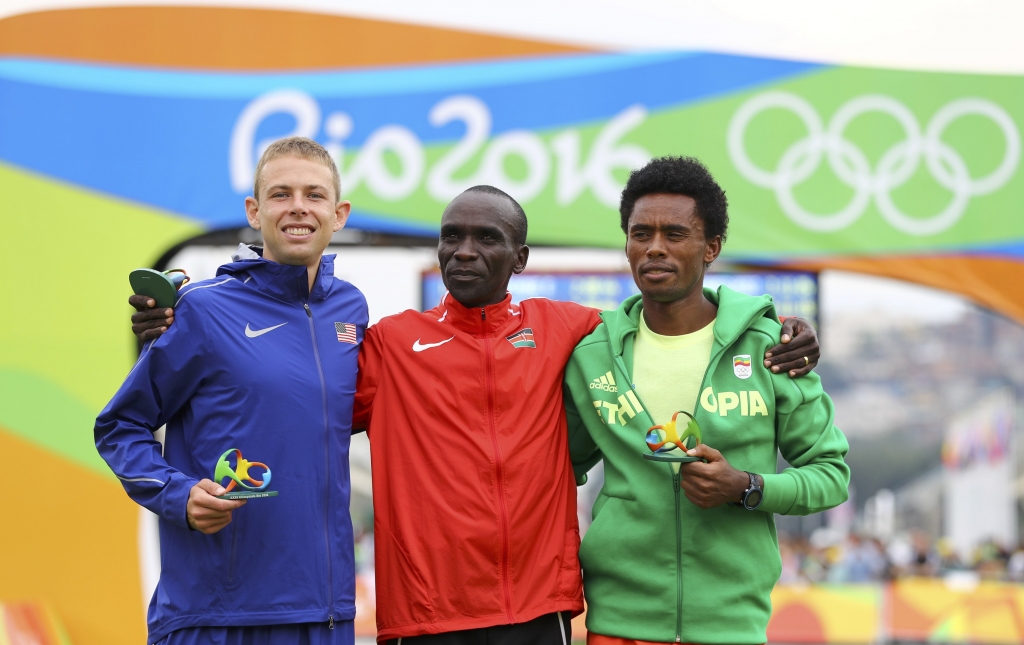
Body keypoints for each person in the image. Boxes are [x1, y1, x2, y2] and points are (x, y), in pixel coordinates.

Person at [129, 184, 823, 645]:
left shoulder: (571, 329)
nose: (464, 250)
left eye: (486, 238)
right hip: (425, 616)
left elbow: (672, 317)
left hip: (536, 612)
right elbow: (287, 386)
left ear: (519, 257)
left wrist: (772, 323)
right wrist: (184, 323)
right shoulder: (393, 342)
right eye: (452, 236)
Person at [563, 156, 850, 645]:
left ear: (712, 246)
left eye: (675, 234)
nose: (654, 248)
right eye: (641, 234)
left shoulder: (771, 348)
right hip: (617, 624)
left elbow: (831, 476)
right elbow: (554, 466)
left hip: (731, 626)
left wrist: (747, 485)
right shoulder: (592, 354)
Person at [96, 137, 365, 644]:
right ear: (254, 210)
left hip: (325, 617)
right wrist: (179, 495)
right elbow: (119, 426)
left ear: (340, 212)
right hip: (215, 618)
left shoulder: (350, 311)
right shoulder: (200, 309)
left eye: (314, 194)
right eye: (281, 194)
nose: (298, 208)